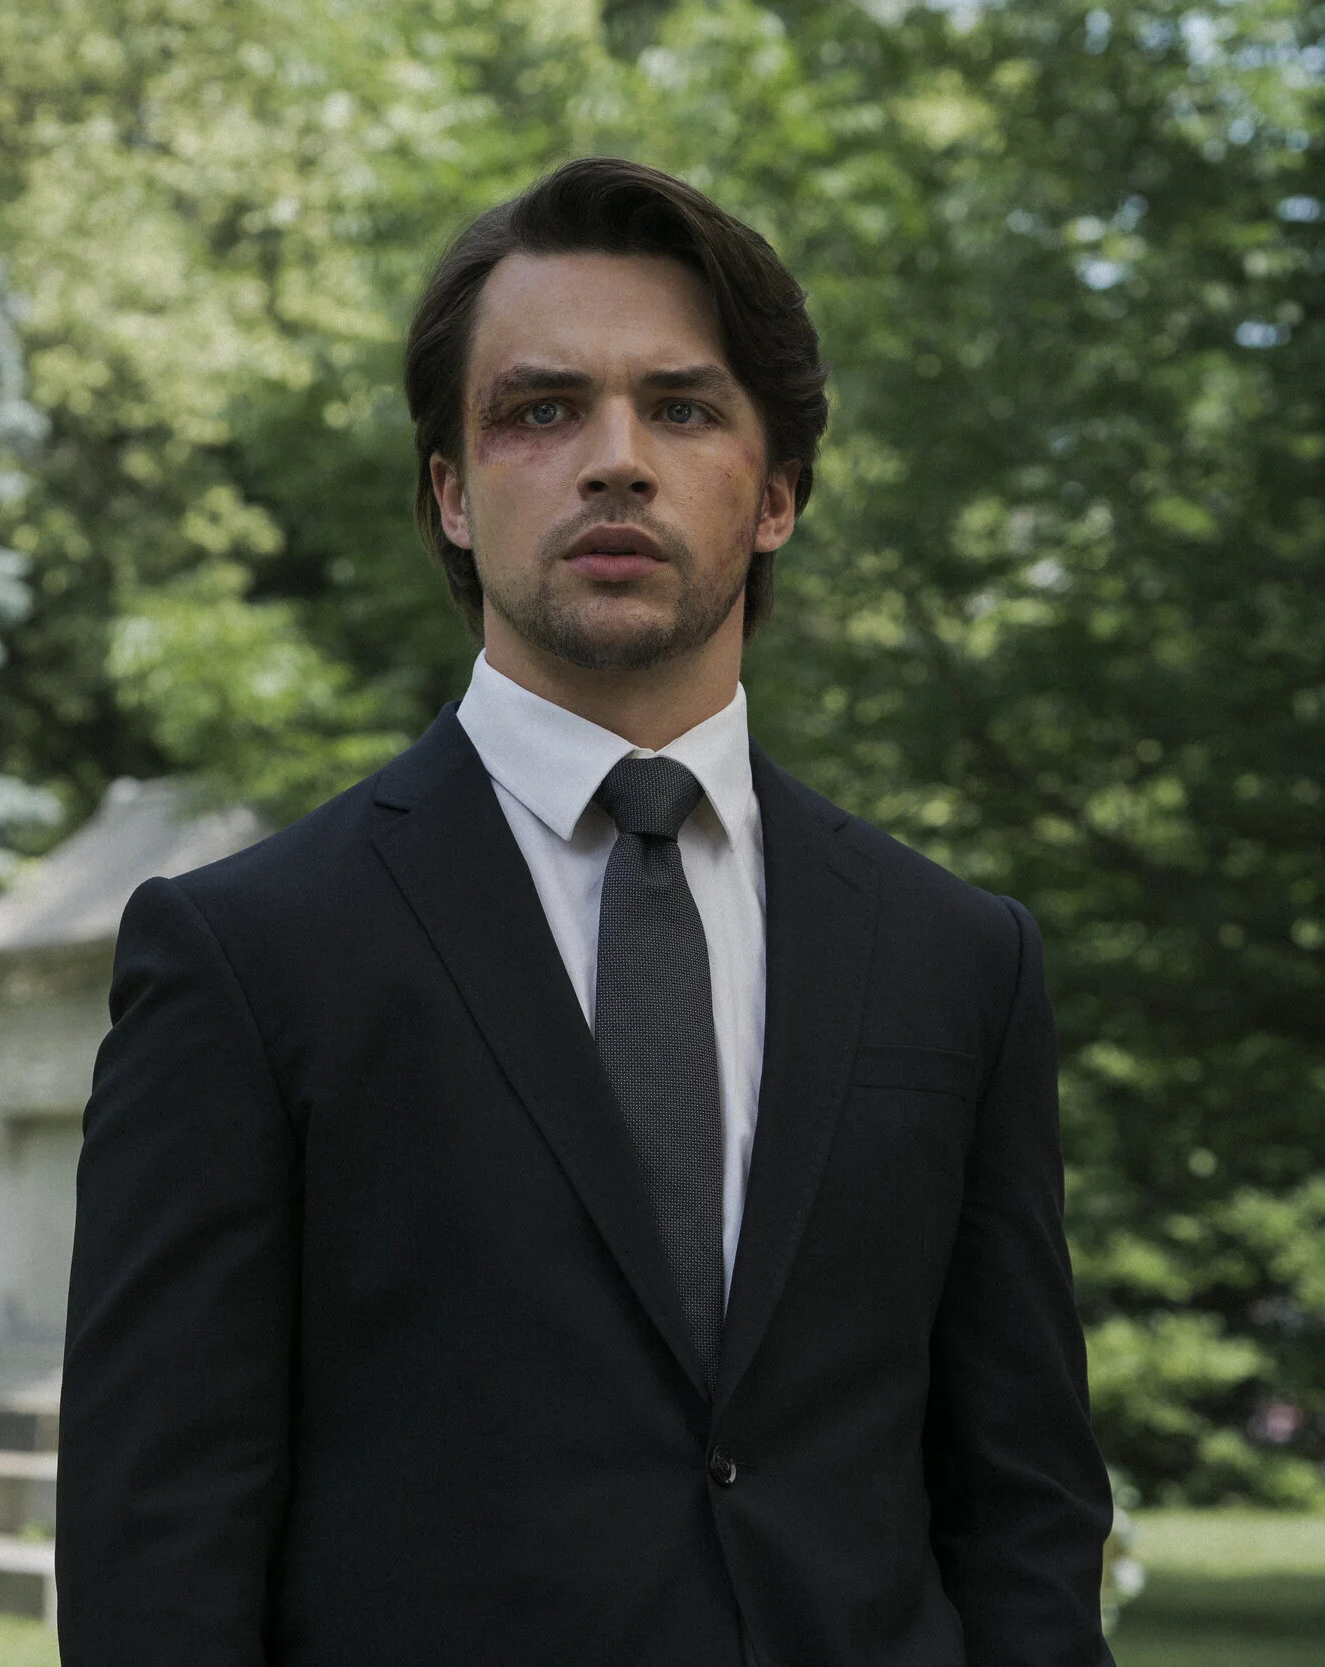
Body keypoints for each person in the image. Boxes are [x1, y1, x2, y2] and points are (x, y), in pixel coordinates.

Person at [58, 158, 1112, 1667]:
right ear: (451, 492)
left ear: (778, 494)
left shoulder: (958, 957)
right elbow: (155, 1554)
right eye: (542, 410)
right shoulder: (246, 958)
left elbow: (1025, 1510)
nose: (615, 460)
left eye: (681, 408)